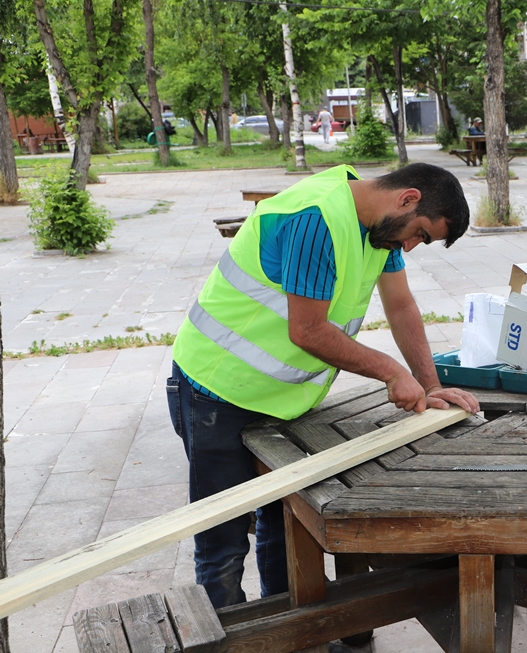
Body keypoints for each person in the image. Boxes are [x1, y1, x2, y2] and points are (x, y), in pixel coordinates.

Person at [167, 163, 481, 610]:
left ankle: (294, 636)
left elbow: (402, 305)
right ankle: (229, 638)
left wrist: (430, 387)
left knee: (287, 525)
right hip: (217, 390)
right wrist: (392, 372)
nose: (410, 247)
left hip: (283, 399)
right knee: (223, 537)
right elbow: (308, 331)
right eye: (420, 234)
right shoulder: (316, 216)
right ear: (407, 199)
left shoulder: (379, 227)